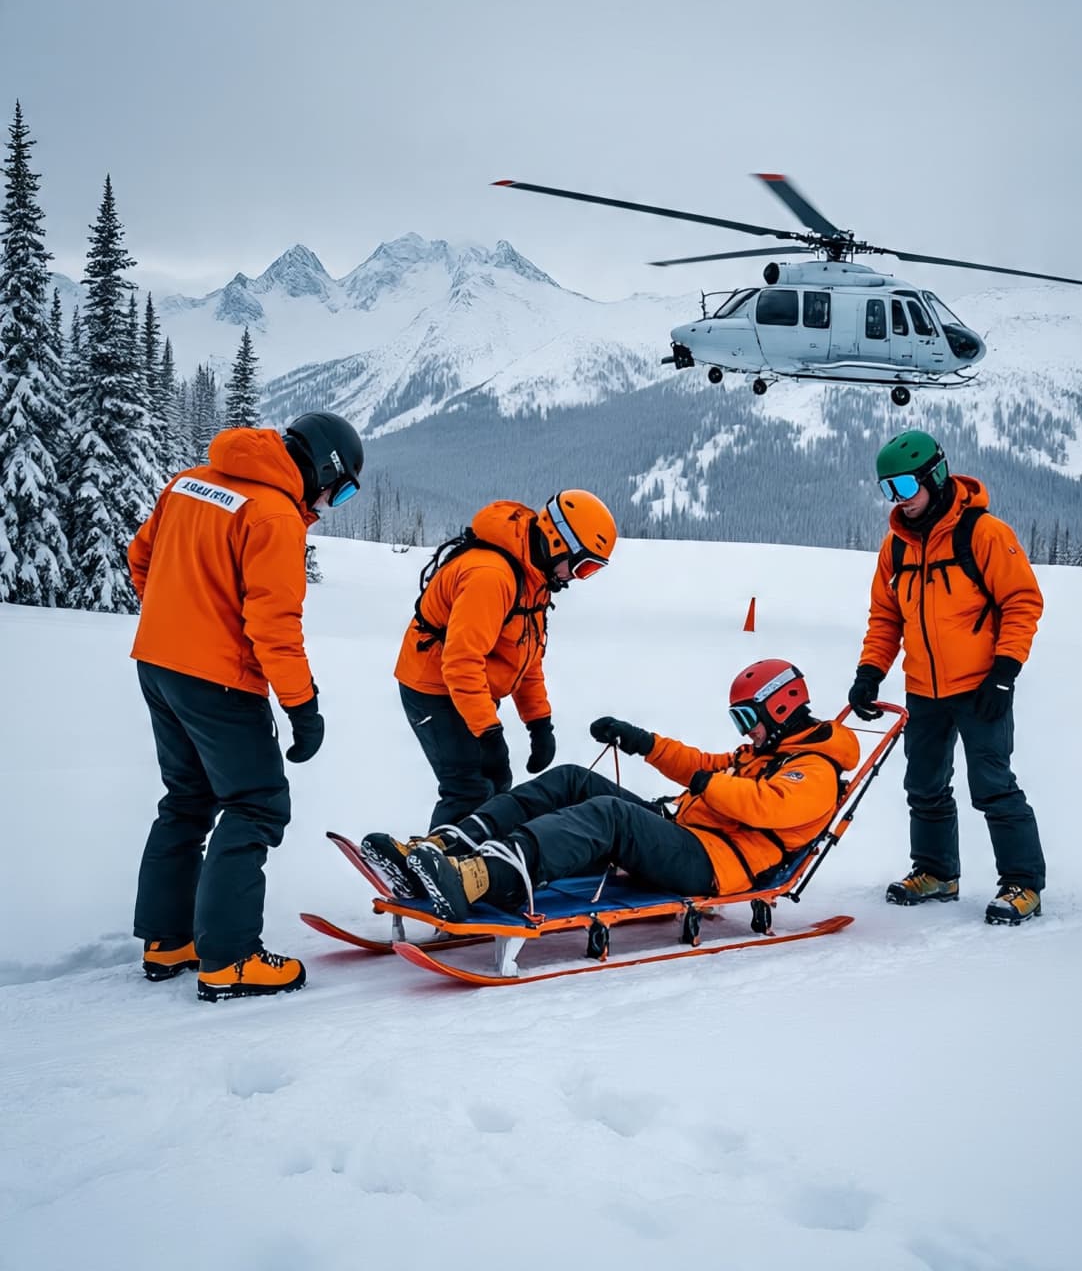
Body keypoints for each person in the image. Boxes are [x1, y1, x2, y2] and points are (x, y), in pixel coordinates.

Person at [128, 411, 364, 1000]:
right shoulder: (274, 515)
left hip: (157, 665)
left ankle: (168, 941)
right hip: (219, 681)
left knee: (186, 798)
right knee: (255, 804)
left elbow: (142, 561)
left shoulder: (187, 482)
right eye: (341, 489)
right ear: (324, 468)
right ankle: (230, 959)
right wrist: (302, 706)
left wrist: (177, 623)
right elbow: (274, 627)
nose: (329, 502)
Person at [359, 658, 861, 920]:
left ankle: (476, 879)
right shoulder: (765, 754)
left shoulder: (814, 771)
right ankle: (444, 848)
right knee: (573, 779)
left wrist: (707, 782)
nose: (742, 730)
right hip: (685, 836)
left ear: (780, 706)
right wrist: (643, 742)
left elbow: (761, 807)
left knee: (608, 816)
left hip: (713, 865)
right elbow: (706, 765)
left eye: (746, 718)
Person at [848, 429, 1045, 926]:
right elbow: (886, 618)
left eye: (905, 488)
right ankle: (937, 873)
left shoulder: (984, 534)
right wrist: (870, 673)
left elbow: (1022, 602)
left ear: (933, 478)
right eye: (887, 490)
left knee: (993, 786)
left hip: (982, 686)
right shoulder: (896, 547)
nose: (898, 501)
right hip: (925, 689)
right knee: (924, 785)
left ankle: (1023, 884)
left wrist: (1005, 672)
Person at [393, 490, 616, 830]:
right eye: (582, 567)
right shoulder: (491, 576)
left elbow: (525, 656)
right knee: (468, 790)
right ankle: (437, 868)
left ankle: (482, 868)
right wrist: (488, 734)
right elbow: (461, 661)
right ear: (559, 542)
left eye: (590, 571)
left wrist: (539, 723)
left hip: (469, 689)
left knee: (498, 789)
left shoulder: (535, 577)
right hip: (433, 686)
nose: (577, 577)